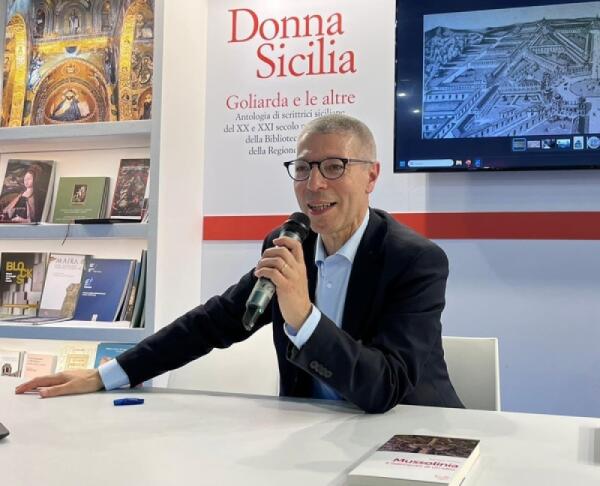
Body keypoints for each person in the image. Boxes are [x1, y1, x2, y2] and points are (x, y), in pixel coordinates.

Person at [16, 114, 463, 413]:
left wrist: (303, 316)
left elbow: (385, 388)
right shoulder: (291, 243)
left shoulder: (414, 261)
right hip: (313, 432)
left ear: (371, 176)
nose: (313, 184)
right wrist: (107, 374)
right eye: (303, 168)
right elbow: (212, 323)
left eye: (333, 167)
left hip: (410, 436)